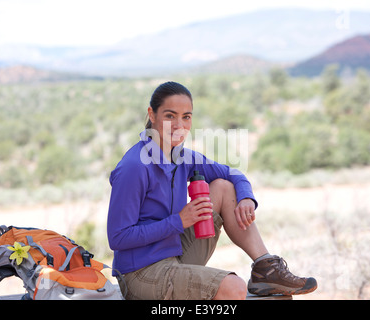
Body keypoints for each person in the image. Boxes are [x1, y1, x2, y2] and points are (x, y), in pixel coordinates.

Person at [107, 81, 317, 300]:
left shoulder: (182, 157)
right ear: (152, 114)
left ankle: (265, 268)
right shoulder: (134, 167)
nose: (180, 125)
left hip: (175, 254)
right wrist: (179, 221)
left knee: (223, 188)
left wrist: (246, 197)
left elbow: (232, 174)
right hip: (141, 273)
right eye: (170, 116)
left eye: (186, 117)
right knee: (233, 287)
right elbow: (118, 237)